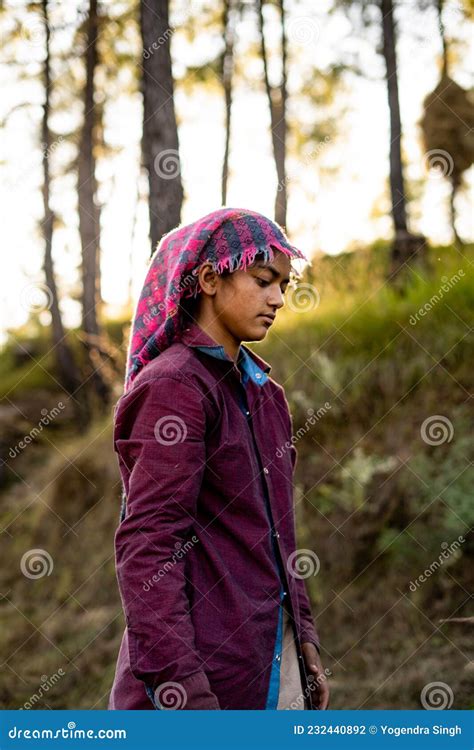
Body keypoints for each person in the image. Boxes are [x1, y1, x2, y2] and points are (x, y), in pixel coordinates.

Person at [108, 207, 329, 710]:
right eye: (263, 279)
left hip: (275, 660)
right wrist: (181, 692)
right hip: (206, 677)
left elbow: (279, 534)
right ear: (209, 278)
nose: (278, 298)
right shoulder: (174, 388)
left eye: (284, 285)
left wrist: (305, 640)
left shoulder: (267, 395)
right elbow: (149, 549)